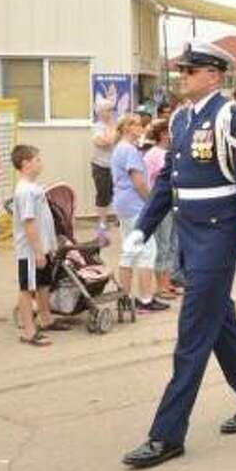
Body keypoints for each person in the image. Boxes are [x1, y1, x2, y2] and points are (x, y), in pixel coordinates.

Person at [120, 40, 236, 469]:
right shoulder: (184, 117)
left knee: (191, 338)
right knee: (219, 322)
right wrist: (142, 229)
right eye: (182, 70)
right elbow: (169, 180)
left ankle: (166, 435)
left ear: (213, 75)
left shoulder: (231, 116)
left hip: (219, 238)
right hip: (191, 237)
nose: (182, 77)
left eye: (190, 70)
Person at [10, 145, 67, 347]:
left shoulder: (34, 187)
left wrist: (50, 243)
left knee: (43, 284)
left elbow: (44, 220)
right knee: (27, 288)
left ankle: (46, 318)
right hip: (30, 250)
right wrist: (37, 250)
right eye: (37, 160)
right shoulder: (25, 191)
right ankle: (28, 331)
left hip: (42, 247)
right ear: (25, 164)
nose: (40, 163)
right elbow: (29, 222)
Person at [110, 115, 168, 313]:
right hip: (134, 204)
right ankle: (145, 299)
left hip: (122, 203)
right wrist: (151, 203)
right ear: (126, 128)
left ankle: (125, 297)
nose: (141, 127)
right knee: (147, 251)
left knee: (128, 251)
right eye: (136, 124)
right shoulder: (129, 150)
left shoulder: (119, 149)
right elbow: (139, 183)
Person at [143, 120, 180, 300]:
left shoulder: (171, 153)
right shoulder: (153, 154)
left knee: (173, 243)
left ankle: (168, 280)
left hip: (175, 202)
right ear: (161, 134)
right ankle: (160, 285)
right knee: (162, 243)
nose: (169, 135)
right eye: (166, 132)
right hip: (162, 203)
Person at [91, 99, 117, 243]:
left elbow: (114, 140)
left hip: (115, 165)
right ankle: (102, 221)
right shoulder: (97, 127)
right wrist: (112, 134)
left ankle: (119, 219)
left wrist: (112, 134)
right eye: (107, 110)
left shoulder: (115, 125)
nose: (110, 113)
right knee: (103, 194)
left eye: (111, 109)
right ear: (100, 112)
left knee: (118, 192)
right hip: (101, 165)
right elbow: (104, 142)